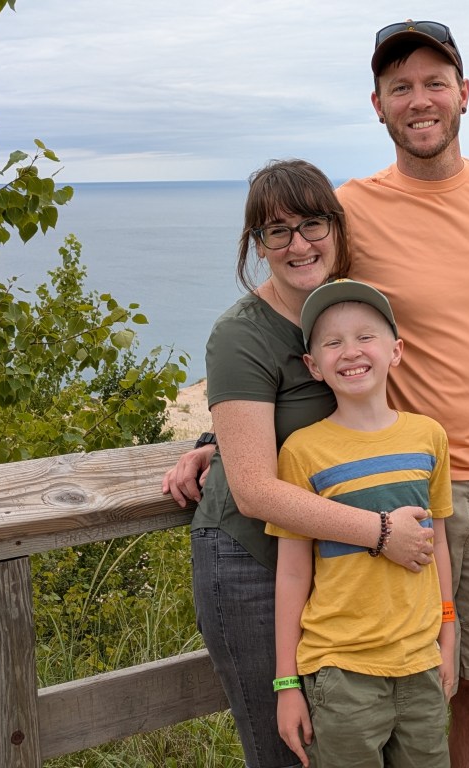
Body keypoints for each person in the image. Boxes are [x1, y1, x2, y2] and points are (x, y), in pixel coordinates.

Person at [164, 21, 469, 767]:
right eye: (400, 88)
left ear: (464, 94)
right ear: (378, 105)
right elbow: (288, 311)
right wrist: (220, 438)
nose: (419, 101)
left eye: (434, 82)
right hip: (384, 494)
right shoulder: (351, 212)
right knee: (376, 706)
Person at [162, 159, 436, 768]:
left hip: (334, 566)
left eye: (312, 223)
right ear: (256, 246)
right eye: (275, 231)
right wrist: (382, 533)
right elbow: (257, 491)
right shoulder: (241, 334)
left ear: (337, 229)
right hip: (251, 562)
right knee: (290, 752)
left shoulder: (348, 314)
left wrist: (215, 439)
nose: (298, 243)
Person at [269, 279, 454, 767]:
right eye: (332, 342)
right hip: (340, 669)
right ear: (313, 365)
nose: (350, 352)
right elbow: (292, 572)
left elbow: (440, 545)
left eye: (365, 337)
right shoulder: (302, 451)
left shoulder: (428, 437)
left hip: (420, 662)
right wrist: (287, 683)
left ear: (396, 351)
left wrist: (448, 634)